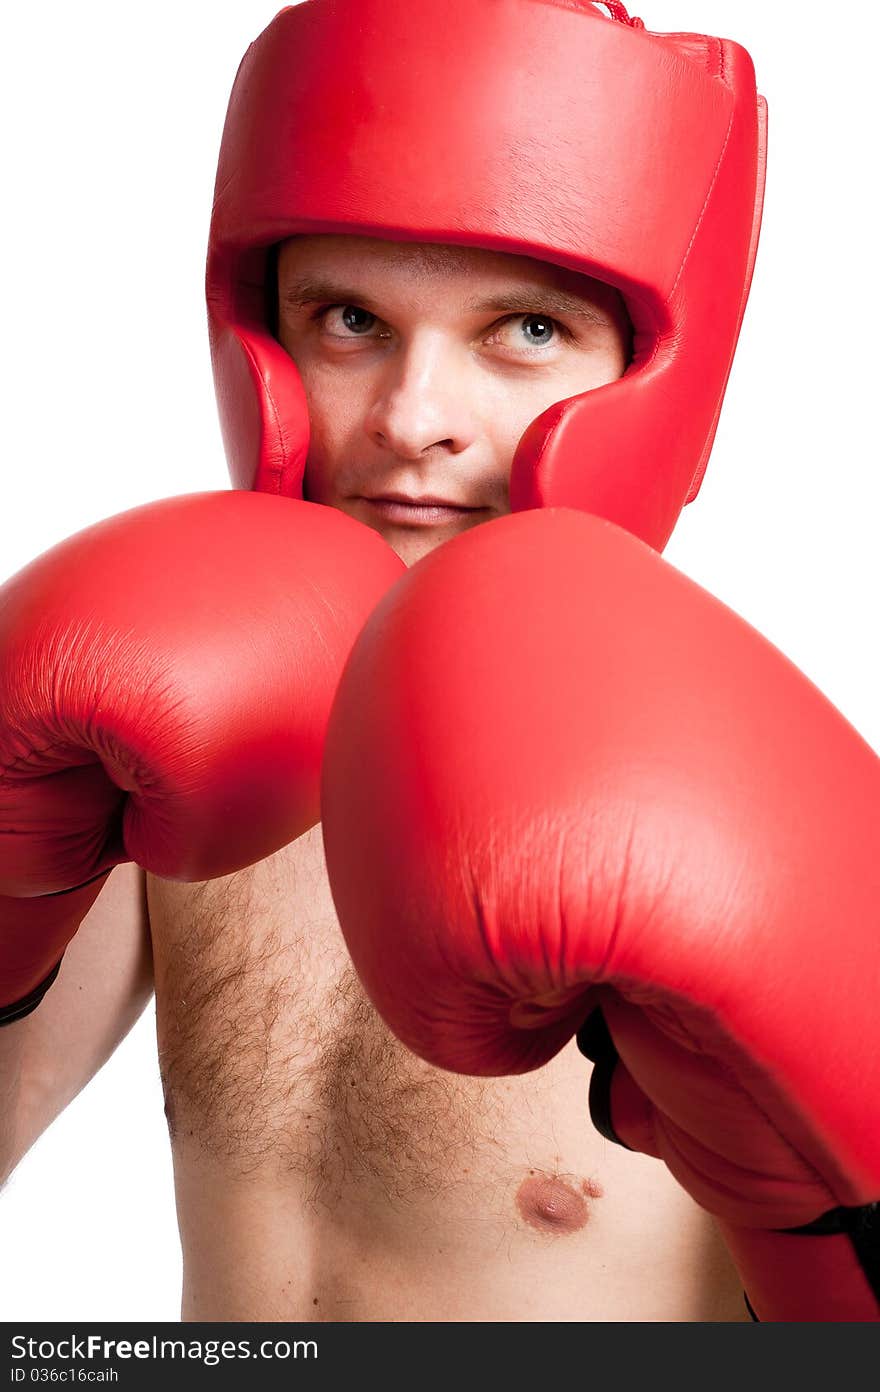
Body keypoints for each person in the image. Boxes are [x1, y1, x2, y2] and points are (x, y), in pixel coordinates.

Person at [4, 0, 870, 1323]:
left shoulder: (795, 821)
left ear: (653, 375)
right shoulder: (159, 748)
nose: (413, 423)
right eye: (349, 318)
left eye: (525, 330)